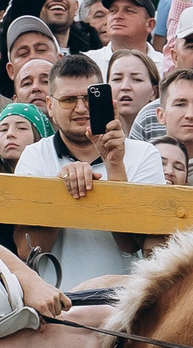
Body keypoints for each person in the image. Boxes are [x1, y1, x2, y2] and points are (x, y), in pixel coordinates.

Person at [12, 53, 163, 286]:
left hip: (122, 303)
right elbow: (28, 250)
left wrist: (114, 165)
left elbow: (132, 244)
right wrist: (59, 190)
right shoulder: (34, 155)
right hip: (57, 303)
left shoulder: (144, 154)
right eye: (69, 99)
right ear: (50, 107)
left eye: (88, 98)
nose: (81, 108)